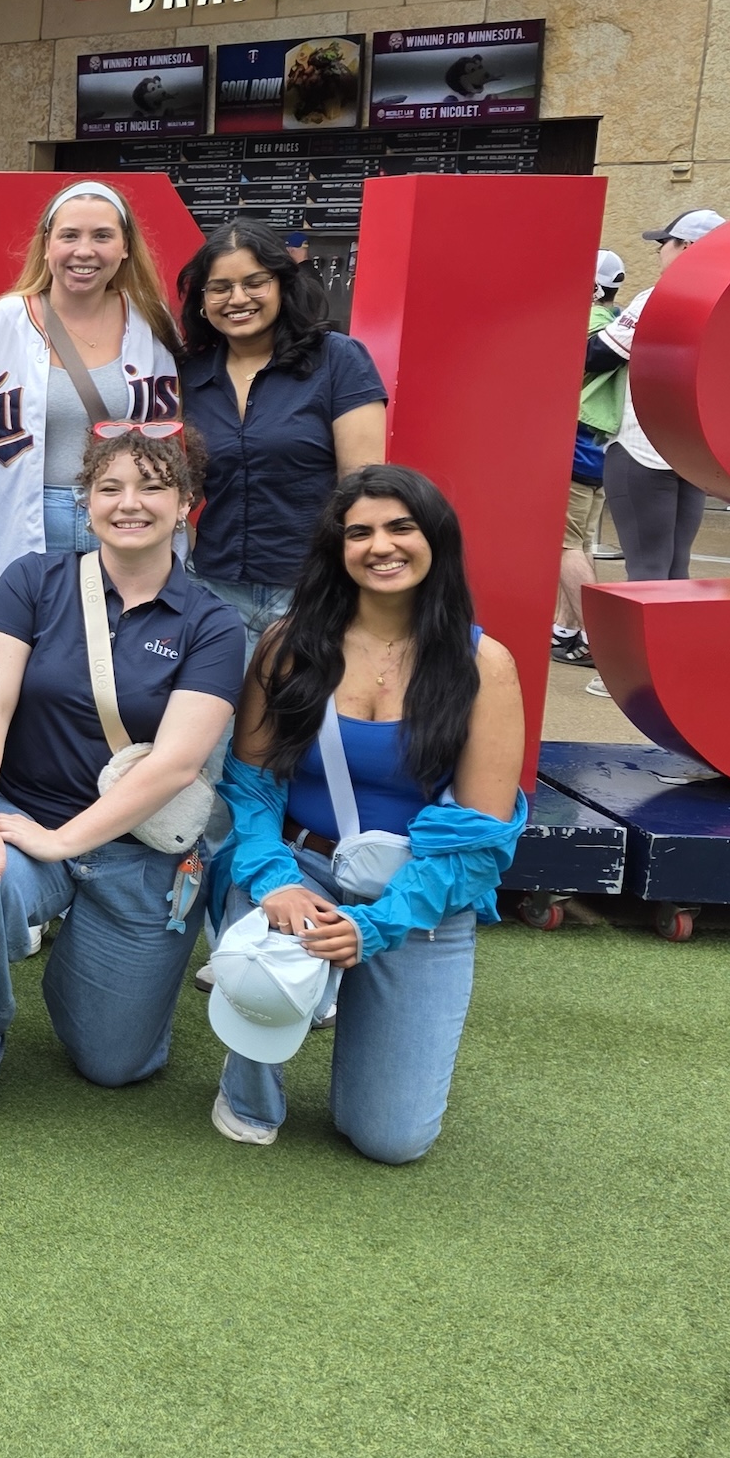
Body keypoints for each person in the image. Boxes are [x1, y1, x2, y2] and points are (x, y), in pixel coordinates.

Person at [0, 425, 244, 1128]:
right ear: (87, 501)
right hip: (22, 811)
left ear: (186, 502)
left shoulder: (212, 624)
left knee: (115, 1065)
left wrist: (63, 840)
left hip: (139, 848)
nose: (129, 503)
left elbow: (175, 764)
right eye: (110, 488)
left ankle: (83, 952)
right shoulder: (31, 582)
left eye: (153, 487)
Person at [212, 467, 526, 1160]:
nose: (380, 546)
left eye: (399, 528)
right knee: (265, 963)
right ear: (339, 550)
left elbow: (478, 840)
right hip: (300, 867)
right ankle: (249, 1077)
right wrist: (272, 880)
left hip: (415, 894)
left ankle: (336, 989)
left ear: (434, 538)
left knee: (392, 1140)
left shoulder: (486, 666)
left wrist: (377, 927)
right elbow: (250, 784)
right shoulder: (288, 643)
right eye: (359, 533)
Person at [0, 179, 183, 584]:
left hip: (125, 521)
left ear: (125, 246)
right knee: (22, 643)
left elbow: (171, 439)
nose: (84, 250)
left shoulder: (152, 323)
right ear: (47, 245)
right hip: (23, 527)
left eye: (102, 236)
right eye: (69, 235)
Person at [174, 219, 387, 647]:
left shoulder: (337, 360)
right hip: (214, 592)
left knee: (301, 715)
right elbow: (182, 490)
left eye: (255, 283)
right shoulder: (189, 375)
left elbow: (363, 486)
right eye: (220, 287)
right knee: (222, 716)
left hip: (310, 592)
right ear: (202, 301)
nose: (237, 299)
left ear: (282, 286)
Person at [587, 210, 720, 584]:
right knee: (677, 566)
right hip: (693, 448)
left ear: (688, 247)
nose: (660, 251)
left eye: (665, 243)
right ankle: (678, 643)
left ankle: (635, 646)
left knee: (646, 568)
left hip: (640, 445)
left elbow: (600, 355)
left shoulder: (661, 296)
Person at [554, 248, 627, 667]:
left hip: (576, 445)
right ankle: (565, 631)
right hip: (601, 449)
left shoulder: (587, 325)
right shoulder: (618, 322)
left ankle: (598, 641)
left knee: (564, 547)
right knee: (578, 543)